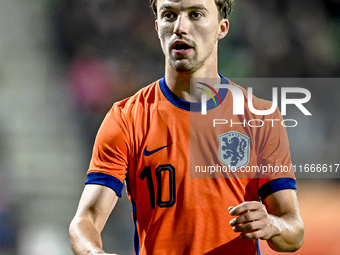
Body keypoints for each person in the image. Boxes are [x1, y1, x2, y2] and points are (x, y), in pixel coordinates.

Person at [69, 0, 304, 254]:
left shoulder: (260, 118)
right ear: (158, 26)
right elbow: (86, 220)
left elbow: (294, 231)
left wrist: (272, 224)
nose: (180, 27)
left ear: (221, 28)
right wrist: (94, 253)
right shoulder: (126, 119)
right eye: (170, 15)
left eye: (196, 14)